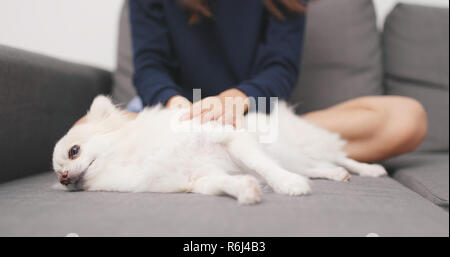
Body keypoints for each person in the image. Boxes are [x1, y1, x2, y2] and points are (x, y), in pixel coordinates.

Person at [85, 0, 428, 163]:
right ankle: (242, 157)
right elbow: (149, 65)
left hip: (253, 116)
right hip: (171, 121)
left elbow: (281, 67)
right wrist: (178, 108)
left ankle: (235, 152)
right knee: (83, 136)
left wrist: (234, 101)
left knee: (407, 119)